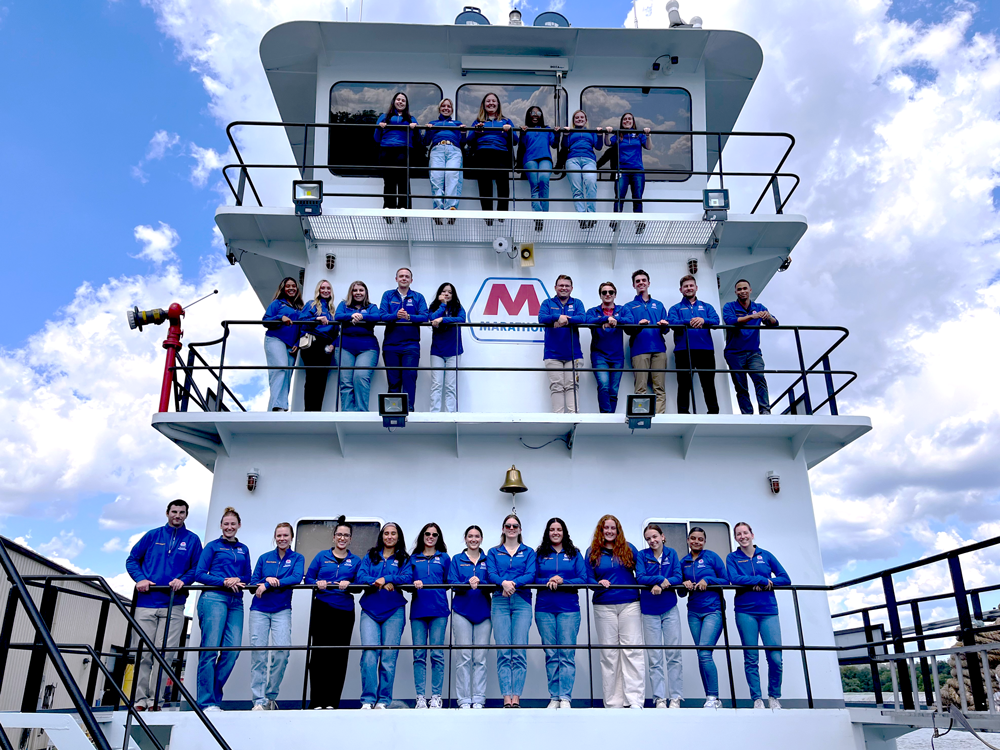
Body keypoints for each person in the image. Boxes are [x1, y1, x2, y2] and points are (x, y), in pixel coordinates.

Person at [125, 499, 203, 711]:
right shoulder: (152, 535)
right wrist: (140, 578)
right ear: (167, 513)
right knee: (143, 654)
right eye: (174, 511)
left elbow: (197, 568)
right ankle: (139, 700)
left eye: (182, 512)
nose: (177, 515)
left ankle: (155, 701)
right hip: (146, 603)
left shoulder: (193, 540)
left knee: (165, 655)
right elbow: (132, 559)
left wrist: (184, 580)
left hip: (174, 605)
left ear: (186, 515)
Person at [726, 522, 790, 710]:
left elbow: (785, 579)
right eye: (738, 534)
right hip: (745, 611)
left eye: (745, 533)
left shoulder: (766, 555)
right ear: (735, 538)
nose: (742, 536)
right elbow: (734, 579)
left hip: (768, 610)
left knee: (775, 657)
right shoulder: (732, 557)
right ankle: (757, 698)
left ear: (752, 535)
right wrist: (761, 580)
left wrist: (770, 581)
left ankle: (774, 696)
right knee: (751, 657)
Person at [194, 507, 251, 711]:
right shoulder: (212, 546)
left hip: (236, 601)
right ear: (221, 525)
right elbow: (199, 574)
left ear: (239, 526)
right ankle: (206, 702)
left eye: (233, 524)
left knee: (232, 650)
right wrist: (224, 581)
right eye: (226, 524)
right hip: (214, 598)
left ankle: (214, 698)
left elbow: (248, 577)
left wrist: (238, 580)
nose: (229, 527)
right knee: (210, 650)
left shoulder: (243, 549)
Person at [586, 514, 645, 709]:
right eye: (606, 528)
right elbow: (587, 579)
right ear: (600, 530)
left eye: (613, 528)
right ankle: (613, 703)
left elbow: (643, 573)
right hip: (604, 606)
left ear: (618, 530)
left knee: (632, 651)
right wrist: (597, 583)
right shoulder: (592, 552)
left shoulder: (629, 549)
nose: (609, 531)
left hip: (630, 603)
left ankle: (634, 701)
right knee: (609, 654)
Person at [304, 517, 361, 710]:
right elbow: (308, 578)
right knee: (319, 656)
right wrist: (316, 583)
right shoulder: (322, 556)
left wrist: (350, 585)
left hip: (344, 612)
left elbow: (359, 586)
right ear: (334, 537)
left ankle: (331, 702)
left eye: (346, 535)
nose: (342, 538)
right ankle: (317, 701)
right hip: (322, 608)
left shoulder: (355, 561)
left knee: (338, 657)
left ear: (350, 539)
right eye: (339, 534)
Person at [248, 523, 305, 710]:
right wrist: (265, 581)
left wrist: (273, 583)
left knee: (282, 652)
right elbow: (253, 582)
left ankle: (270, 695)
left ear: (291, 537)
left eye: (285, 535)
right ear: (275, 537)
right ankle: (258, 700)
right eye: (279, 535)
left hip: (281, 610)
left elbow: (296, 578)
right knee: (259, 654)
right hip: (259, 610)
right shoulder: (265, 558)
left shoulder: (297, 558)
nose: (282, 538)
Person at [357, 522, 412, 708]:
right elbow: (360, 577)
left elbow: (407, 578)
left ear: (398, 536)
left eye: (393, 533)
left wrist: (388, 578)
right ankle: (368, 699)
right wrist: (377, 582)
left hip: (394, 611)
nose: (389, 536)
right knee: (369, 655)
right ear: (381, 536)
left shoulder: (404, 558)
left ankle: (383, 700)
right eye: (386, 533)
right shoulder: (370, 555)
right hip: (370, 610)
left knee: (389, 657)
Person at [534, 518, 586, 708]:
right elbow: (532, 578)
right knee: (551, 653)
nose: (555, 532)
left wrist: (563, 580)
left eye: (559, 529)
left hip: (569, 610)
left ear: (564, 532)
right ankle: (554, 697)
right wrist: (548, 580)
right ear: (547, 532)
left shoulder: (574, 553)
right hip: (544, 609)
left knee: (566, 653)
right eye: (552, 529)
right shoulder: (539, 554)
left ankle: (565, 697)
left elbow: (583, 578)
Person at [486, 513, 536, 708]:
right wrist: (503, 584)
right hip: (499, 601)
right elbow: (491, 573)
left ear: (520, 529)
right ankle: (506, 696)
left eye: (515, 525)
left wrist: (512, 584)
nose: (511, 528)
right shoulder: (494, 551)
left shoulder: (528, 551)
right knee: (504, 651)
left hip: (522, 601)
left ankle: (517, 696)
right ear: (503, 528)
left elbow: (531, 574)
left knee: (519, 650)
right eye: (508, 525)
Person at [680, 526, 729, 709]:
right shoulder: (683, 561)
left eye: (700, 539)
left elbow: (726, 580)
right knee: (702, 654)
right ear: (688, 540)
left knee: (705, 653)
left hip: (713, 610)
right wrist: (684, 585)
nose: (696, 541)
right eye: (693, 538)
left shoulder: (712, 557)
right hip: (693, 612)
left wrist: (708, 580)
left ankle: (713, 697)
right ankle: (710, 697)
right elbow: (680, 593)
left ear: (704, 541)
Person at [636, 523, 683, 709]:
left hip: (669, 608)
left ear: (662, 536)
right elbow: (640, 577)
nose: (652, 541)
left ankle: (676, 697)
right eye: (648, 538)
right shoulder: (642, 555)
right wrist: (658, 580)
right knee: (654, 657)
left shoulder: (672, 554)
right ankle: (660, 698)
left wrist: (664, 584)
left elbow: (678, 576)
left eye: (655, 536)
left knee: (674, 655)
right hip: (649, 611)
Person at [448, 525, 491, 709]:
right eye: (470, 536)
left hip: (483, 612)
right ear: (465, 539)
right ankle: (464, 699)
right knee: (464, 657)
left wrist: (481, 583)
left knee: (480, 658)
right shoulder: (457, 559)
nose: (473, 539)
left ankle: (479, 698)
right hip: (462, 612)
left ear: (481, 539)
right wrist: (467, 584)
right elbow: (451, 582)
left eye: (477, 536)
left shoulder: (488, 560)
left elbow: (494, 581)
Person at [409, 523, 451, 709]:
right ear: (422, 536)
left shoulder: (444, 558)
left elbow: (449, 582)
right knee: (419, 655)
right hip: (418, 610)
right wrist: (413, 583)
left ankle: (436, 696)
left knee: (437, 655)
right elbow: (404, 580)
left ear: (438, 537)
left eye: (434, 534)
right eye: (427, 533)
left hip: (439, 611)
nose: (431, 537)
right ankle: (420, 697)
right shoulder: (413, 558)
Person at [722, 280, 779, 415]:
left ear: (750, 290)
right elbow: (730, 321)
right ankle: (747, 414)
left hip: (753, 352)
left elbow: (775, 323)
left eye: (745, 288)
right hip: (734, 353)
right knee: (741, 386)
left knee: (759, 377)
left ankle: (765, 410)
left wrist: (769, 317)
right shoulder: (729, 306)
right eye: (739, 289)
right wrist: (751, 317)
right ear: (735, 292)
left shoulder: (759, 307)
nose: (742, 291)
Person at [667, 275, 721, 414]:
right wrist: (689, 321)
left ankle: (713, 413)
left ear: (696, 288)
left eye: (691, 285)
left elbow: (716, 321)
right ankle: (683, 414)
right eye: (686, 286)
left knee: (708, 384)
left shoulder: (706, 306)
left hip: (706, 350)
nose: (689, 288)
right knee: (684, 385)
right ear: (681, 290)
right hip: (683, 351)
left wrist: (703, 320)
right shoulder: (675, 308)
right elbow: (672, 322)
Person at [379, 268, 428, 408]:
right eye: (401, 276)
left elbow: (425, 316)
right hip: (391, 345)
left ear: (411, 280)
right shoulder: (388, 295)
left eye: (407, 276)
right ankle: (394, 411)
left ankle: (409, 411)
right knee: (393, 380)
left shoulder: (418, 297)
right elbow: (382, 315)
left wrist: (409, 317)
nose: (404, 278)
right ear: (396, 279)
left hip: (410, 345)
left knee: (409, 378)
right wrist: (396, 315)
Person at [622, 270, 670, 414]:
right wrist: (638, 325)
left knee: (659, 387)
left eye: (644, 280)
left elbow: (666, 330)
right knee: (640, 388)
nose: (641, 283)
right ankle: (640, 415)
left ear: (648, 283)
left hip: (659, 349)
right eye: (638, 281)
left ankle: (660, 417)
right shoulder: (628, 306)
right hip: (639, 350)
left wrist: (664, 325)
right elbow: (627, 330)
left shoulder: (659, 304)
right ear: (634, 285)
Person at [537, 275, 587, 413]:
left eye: (567, 285)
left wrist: (566, 320)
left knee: (572, 385)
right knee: (556, 386)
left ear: (571, 288)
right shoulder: (547, 303)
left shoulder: (577, 303)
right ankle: (558, 418)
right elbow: (541, 317)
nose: (564, 288)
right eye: (561, 285)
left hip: (573, 354)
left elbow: (583, 317)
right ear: (555, 288)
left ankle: (573, 417)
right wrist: (557, 317)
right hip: (552, 354)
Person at [586, 282, 632, 414]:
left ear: (615, 295)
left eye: (610, 292)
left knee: (613, 390)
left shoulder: (622, 310)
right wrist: (606, 318)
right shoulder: (593, 311)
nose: (607, 294)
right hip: (599, 355)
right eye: (604, 292)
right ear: (600, 295)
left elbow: (630, 320)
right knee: (604, 386)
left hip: (617, 356)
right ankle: (605, 417)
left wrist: (616, 320)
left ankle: (610, 417)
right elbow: (587, 320)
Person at [334, 281, 380, 412]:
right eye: (355, 290)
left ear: (365, 293)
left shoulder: (371, 306)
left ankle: (361, 412)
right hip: (344, 346)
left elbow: (377, 317)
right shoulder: (343, 305)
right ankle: (347, 412)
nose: (358, 293)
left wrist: (361, 316)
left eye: (361, 290)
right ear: (351, 292)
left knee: (360, 377)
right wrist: (351, 315)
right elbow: (337, 316)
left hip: (367, 348)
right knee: (346, 382)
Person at [468, 92, 517, 213]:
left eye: (493, 101)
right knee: (484, 185)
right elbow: (468, 140)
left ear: (498, 104)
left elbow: (516, 140)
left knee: (503, 185)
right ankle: (487, 215)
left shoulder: (506, 121)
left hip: (501, 153)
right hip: (483, 153)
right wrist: (476, 132)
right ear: (484, 105)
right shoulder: (478, 121)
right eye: (488, 101)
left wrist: (508, 131)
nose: (491, 103)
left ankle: (502, 214)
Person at [262, 277, 303, 412]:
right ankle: (275, 407)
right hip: (275, 339)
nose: (291, 288)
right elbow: (265, 321)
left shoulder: (299, 308)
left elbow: (301, 328)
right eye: (288, 286)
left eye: (293, 286)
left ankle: (282, 407)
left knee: (287, 374)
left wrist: (298, 342)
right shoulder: (277, 303)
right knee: (280, 370)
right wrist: (280, 318)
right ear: (283, 289)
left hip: (291, 345)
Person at [374, 91, 418, 213]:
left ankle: (404, 208)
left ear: (406, 104)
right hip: (386, 149)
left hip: (403, 149)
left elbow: (417, 138)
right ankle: (389, 208)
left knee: (403, 179)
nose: (400, 102)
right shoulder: (384, 117)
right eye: (398, 99)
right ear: (394, 101)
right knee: (389, 180)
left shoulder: (410, 118)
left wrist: (415, 127)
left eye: (403, 100)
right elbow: (376, 138)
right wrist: (379, 128)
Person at [299, 280, 339, 412]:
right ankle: (309, 410)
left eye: (328, 288)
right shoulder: (312, 304)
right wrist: (316, 319)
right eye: (323, 288)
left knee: (321, 379)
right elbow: (301, 321)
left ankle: (317, 410)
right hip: (313, 343)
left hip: (326, 346)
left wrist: (333, 345)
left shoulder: (332, 310)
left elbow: (336, 332)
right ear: (318, 290)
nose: (326, 290)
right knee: (312, 377)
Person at [428, 283, 465, 413]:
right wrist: (442, 305)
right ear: (439, 293)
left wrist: (443, 319)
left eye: (450, 292)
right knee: (436, 384)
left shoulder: (458, 307)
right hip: (437, 351)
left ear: (453, 294)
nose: (447, 294)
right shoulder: (434, 307)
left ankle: (450, 414)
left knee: (450, 385)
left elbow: (462, 319)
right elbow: (431, 318)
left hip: (454, 351)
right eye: (444, 291)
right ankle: (434, 414)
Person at [424, 98, 465, 212]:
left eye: (449, 106)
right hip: (437, 149)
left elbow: (463, 142)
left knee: (452, 176)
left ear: (452, 110)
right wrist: (428, 130)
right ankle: (438, 207)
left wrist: (463, 132)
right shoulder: (433, 123)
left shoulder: (457, 124)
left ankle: (451, 207)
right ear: (439, 109)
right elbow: (426, 142)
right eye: (443, 106)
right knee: (436, 177)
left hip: (453, 149)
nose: (446, 108)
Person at [605, 113, 652, 213]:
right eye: (625, 119)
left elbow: (648, 147)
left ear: (633, 122)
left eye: (629, 119)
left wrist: (648, 136)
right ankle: (616, 223)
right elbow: (608, 143)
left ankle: (639, 224)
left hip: (637, 170)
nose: (627, 121)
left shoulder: (639, 134)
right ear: (622, 122)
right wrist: (606, 133)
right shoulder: (618, 134)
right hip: (622, 170)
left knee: (637, 198)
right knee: (619, 197)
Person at [561, 109, 602, 216]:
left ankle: (591, 214)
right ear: (574, 121)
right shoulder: (570, 131)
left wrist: (599, 135)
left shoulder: (591, 132)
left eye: (581, 117)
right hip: (572, 160)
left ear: (586, 120)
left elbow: (598, 146)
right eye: (577, 118)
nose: (579, 119)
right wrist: (565, 135)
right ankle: (582, 216)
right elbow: (565, 145)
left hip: (589, 160)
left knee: (591, 183)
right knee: (577, 189)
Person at [517, 106, 558, 213]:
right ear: (528, 115)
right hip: (530, 159)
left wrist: (557, 133)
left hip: (545, 158)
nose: (535, 115)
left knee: (543, 181)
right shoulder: (525, 129)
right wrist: (522, 133)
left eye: (538, 113)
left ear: (541, 116)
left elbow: (554, 144)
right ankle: (538, 215)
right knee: (534, 184)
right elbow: (522, 145)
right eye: (532, 113)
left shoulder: (547, 129)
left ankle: (544, 214)